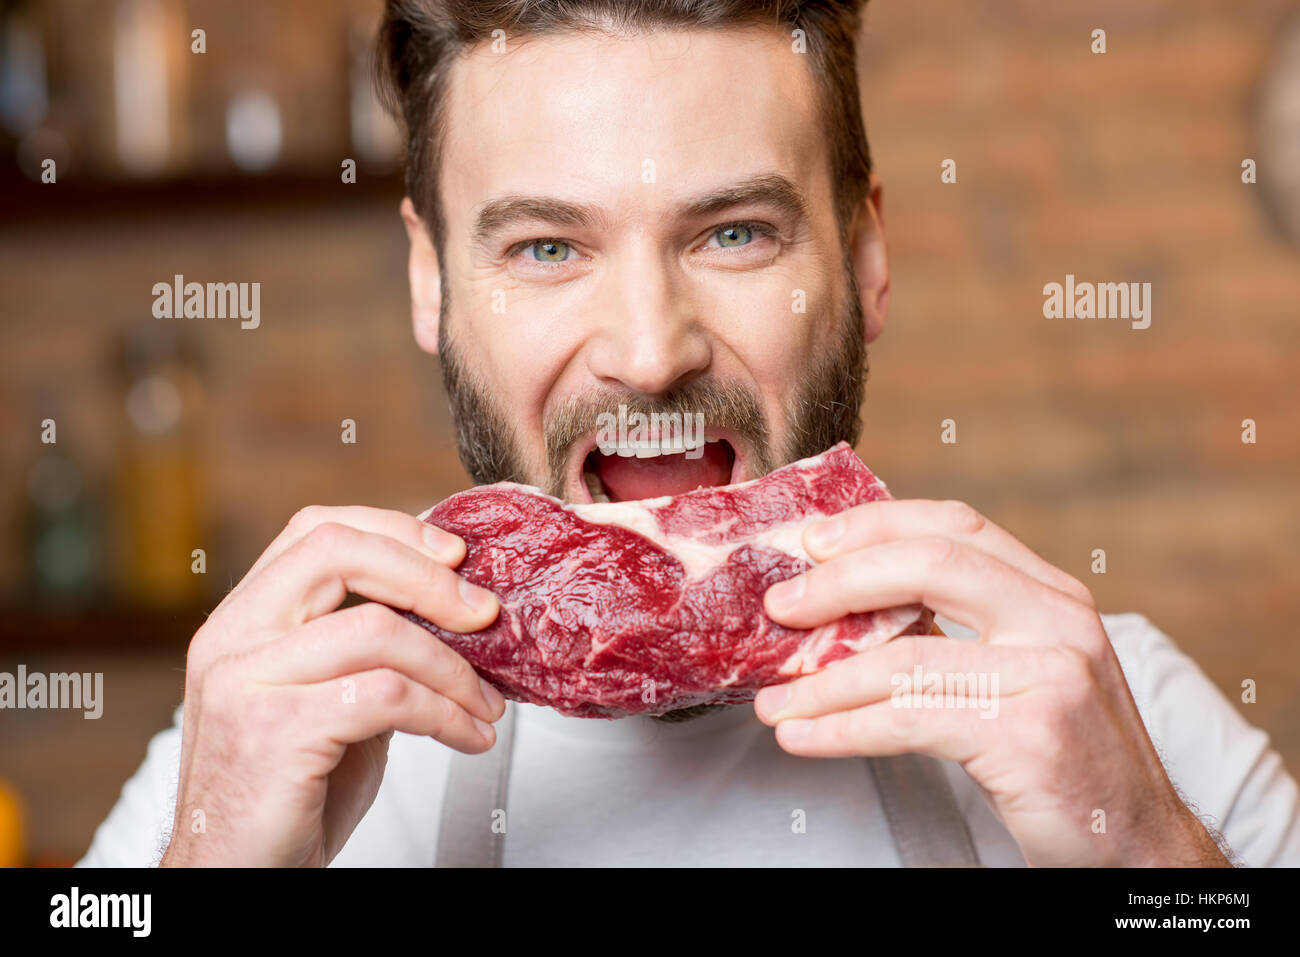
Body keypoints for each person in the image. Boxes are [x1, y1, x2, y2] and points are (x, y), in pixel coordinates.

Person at [79, 0, 1300, 867]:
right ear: (431, 286)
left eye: (733, 233)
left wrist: (1143, 856)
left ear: (866, 257)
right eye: (546, 249)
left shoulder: (1118, 707)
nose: (651, 347)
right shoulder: (256, 739)